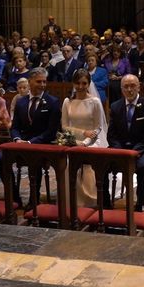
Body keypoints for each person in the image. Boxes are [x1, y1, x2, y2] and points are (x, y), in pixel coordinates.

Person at [3, 67, 61, 206]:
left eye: (44, 82)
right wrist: (17, 139)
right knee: (1, 159)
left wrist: (30, 142)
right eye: (38, 81)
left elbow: (51, 131)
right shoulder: (21, 102)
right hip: (21, 142)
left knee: (34, 161)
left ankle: (33, 200)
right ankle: (14, 197)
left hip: (41, 143)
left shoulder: (52, 102)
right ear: (30, 81)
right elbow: (15, 126)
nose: (42, 85)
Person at [107, 74, 144, 212]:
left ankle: (140, 201)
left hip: (143, 148)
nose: (129, 90)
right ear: (121, 89)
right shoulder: (115, 107)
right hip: (121, 148)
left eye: (133, 86)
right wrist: (120, 151)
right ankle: (105, 201)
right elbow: (111, 135)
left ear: (139, 87)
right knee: (101, 163)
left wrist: (134, 152)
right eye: (126, 87)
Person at [62, 69, 108, 207]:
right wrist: (81, 135)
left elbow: (99, 127)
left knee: (88, 165)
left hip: (93, 141)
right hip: (74, 140)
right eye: (77, 83)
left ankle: (91, 202)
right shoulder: (67, 102)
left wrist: (86, 142)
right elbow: (64, 126)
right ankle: (72, 201)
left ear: (89, 84)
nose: (80, 87)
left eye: (84, 83)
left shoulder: (94, 102)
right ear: (73, 83)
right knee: (69, 165)